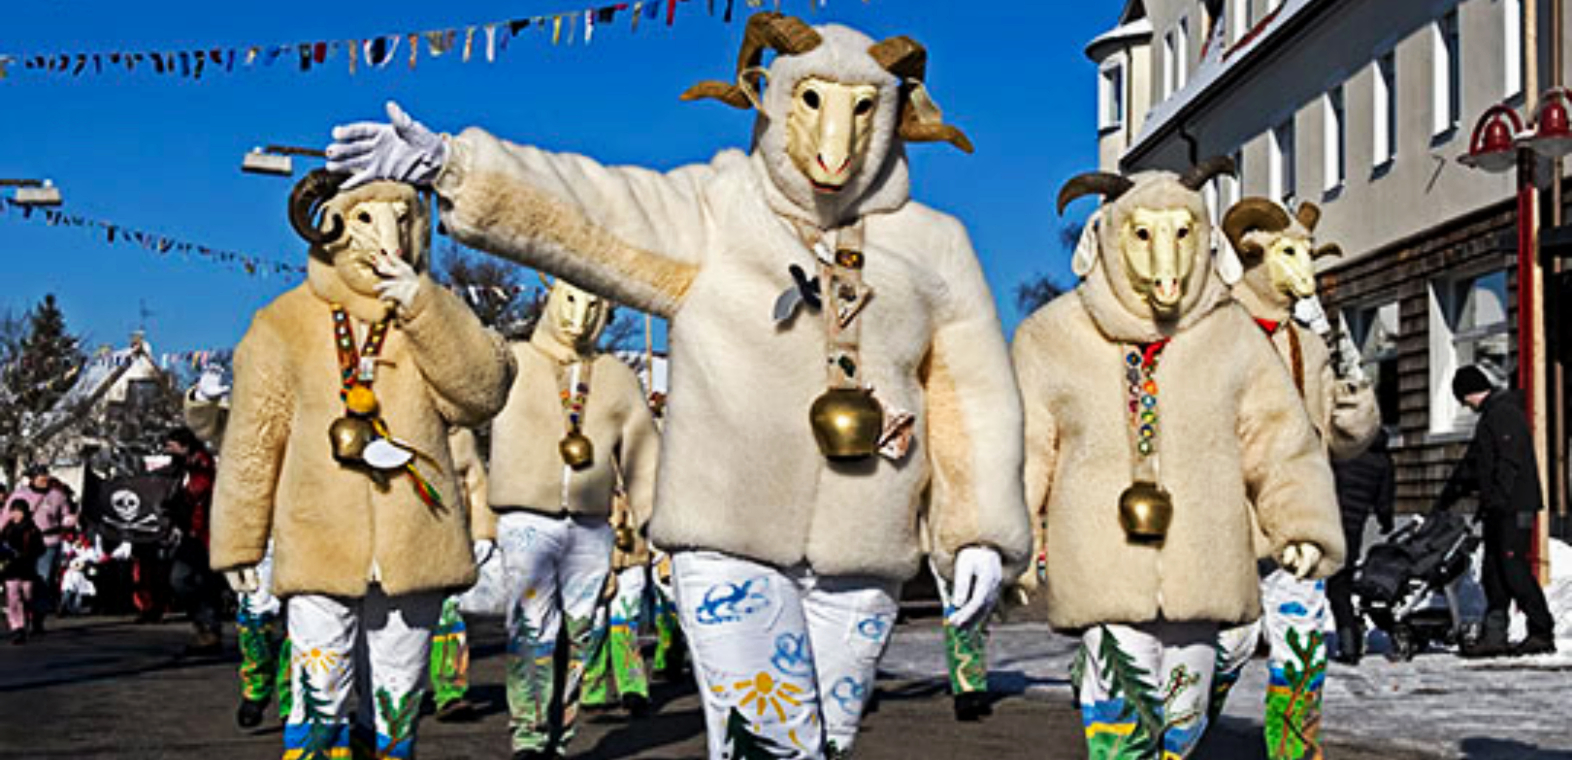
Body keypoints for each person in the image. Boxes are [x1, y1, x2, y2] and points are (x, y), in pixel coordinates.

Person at [327, 12, 1030, 758]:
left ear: (889, 115)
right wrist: (456, 166)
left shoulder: (934, 245)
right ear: (771, 95)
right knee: (775, 747)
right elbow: (590, 207)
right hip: (727, 539)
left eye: (862, 108)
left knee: (825, 747)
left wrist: (979, 526)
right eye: (813, 100)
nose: (837, 138)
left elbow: (971, 393)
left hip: (866, 550)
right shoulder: (717, 211)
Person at [210, 172, 516, 760]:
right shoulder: (282, 323)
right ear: (334, 228)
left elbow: (482, 394)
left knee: (397, 698)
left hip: (414, 540)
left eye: (403, 220)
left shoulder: (431, 312)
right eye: (369, 220)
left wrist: (423, 306)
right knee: (318, 690)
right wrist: (239, 539)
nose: (390, 238)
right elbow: (254, 437)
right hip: (316, 537)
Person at [482, 281, 660, 760]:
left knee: (581, 631)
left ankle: (560, 735)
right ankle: (528, 735)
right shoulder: (512, 360)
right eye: (570, 303)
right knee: (530, 627)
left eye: (593, 307)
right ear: (550, 298)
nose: (579, 318)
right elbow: (466, 388)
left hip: (589, 522)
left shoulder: (617, 376)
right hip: (526, 519)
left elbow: (643, 452)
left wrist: (652, 521)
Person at [1436, 366, 1557, 657]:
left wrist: (1499, 498)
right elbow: (1474, 464)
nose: (1463, 405)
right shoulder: (1491, 416)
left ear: (1467, 393)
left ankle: (1542, 630)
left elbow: (1509, 461)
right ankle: (1494, 634)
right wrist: (1449, 496)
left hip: (1514, 506)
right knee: (1493, 570)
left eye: (1462, 399)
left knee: (1513, 568)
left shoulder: (1503, 414)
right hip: (1497, 508)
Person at [1327, 429, 1396, 665]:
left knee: (1333, 588)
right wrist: (1386, 521)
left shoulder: (1341, 454)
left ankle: (1349, 645)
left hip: (1331, 523)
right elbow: (1385, 500)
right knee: (1342, 584)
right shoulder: (1382, 460)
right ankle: (1351, 639)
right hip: (1354, 528)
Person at [160, 426, 226, 654]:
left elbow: (199, 489)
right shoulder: (181, 468)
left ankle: (209, 629)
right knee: (185, 580)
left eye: (171, 446)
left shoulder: (202, 465)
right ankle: (205, 627)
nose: (168, 451)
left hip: (205, 533)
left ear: (184, 445)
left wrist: (179, 503)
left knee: (195, 580)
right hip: (191, 532)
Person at [6, 465, 72, 633]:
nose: (44, 479)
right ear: (32, 478)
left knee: (43, 580)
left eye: (46, 476)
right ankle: (22, 619)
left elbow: (65, 516)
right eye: (40, 476)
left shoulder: (58, 495)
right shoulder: (20, 495)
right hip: (23, 543)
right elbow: (6, 516)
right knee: (23, 584)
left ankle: (37, 618)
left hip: (49, 542)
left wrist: (70, 520)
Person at [2, 499, 45, 644]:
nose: (16, 514)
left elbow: (40, 548)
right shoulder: (7, 529)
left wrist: (28, 553)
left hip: (27, 567)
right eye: (13, 511)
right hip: (11, 567)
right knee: (13, 597)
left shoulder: (32, 529)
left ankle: (33, 618)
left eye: (19, 511)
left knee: (28, 596)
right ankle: (18, 628)